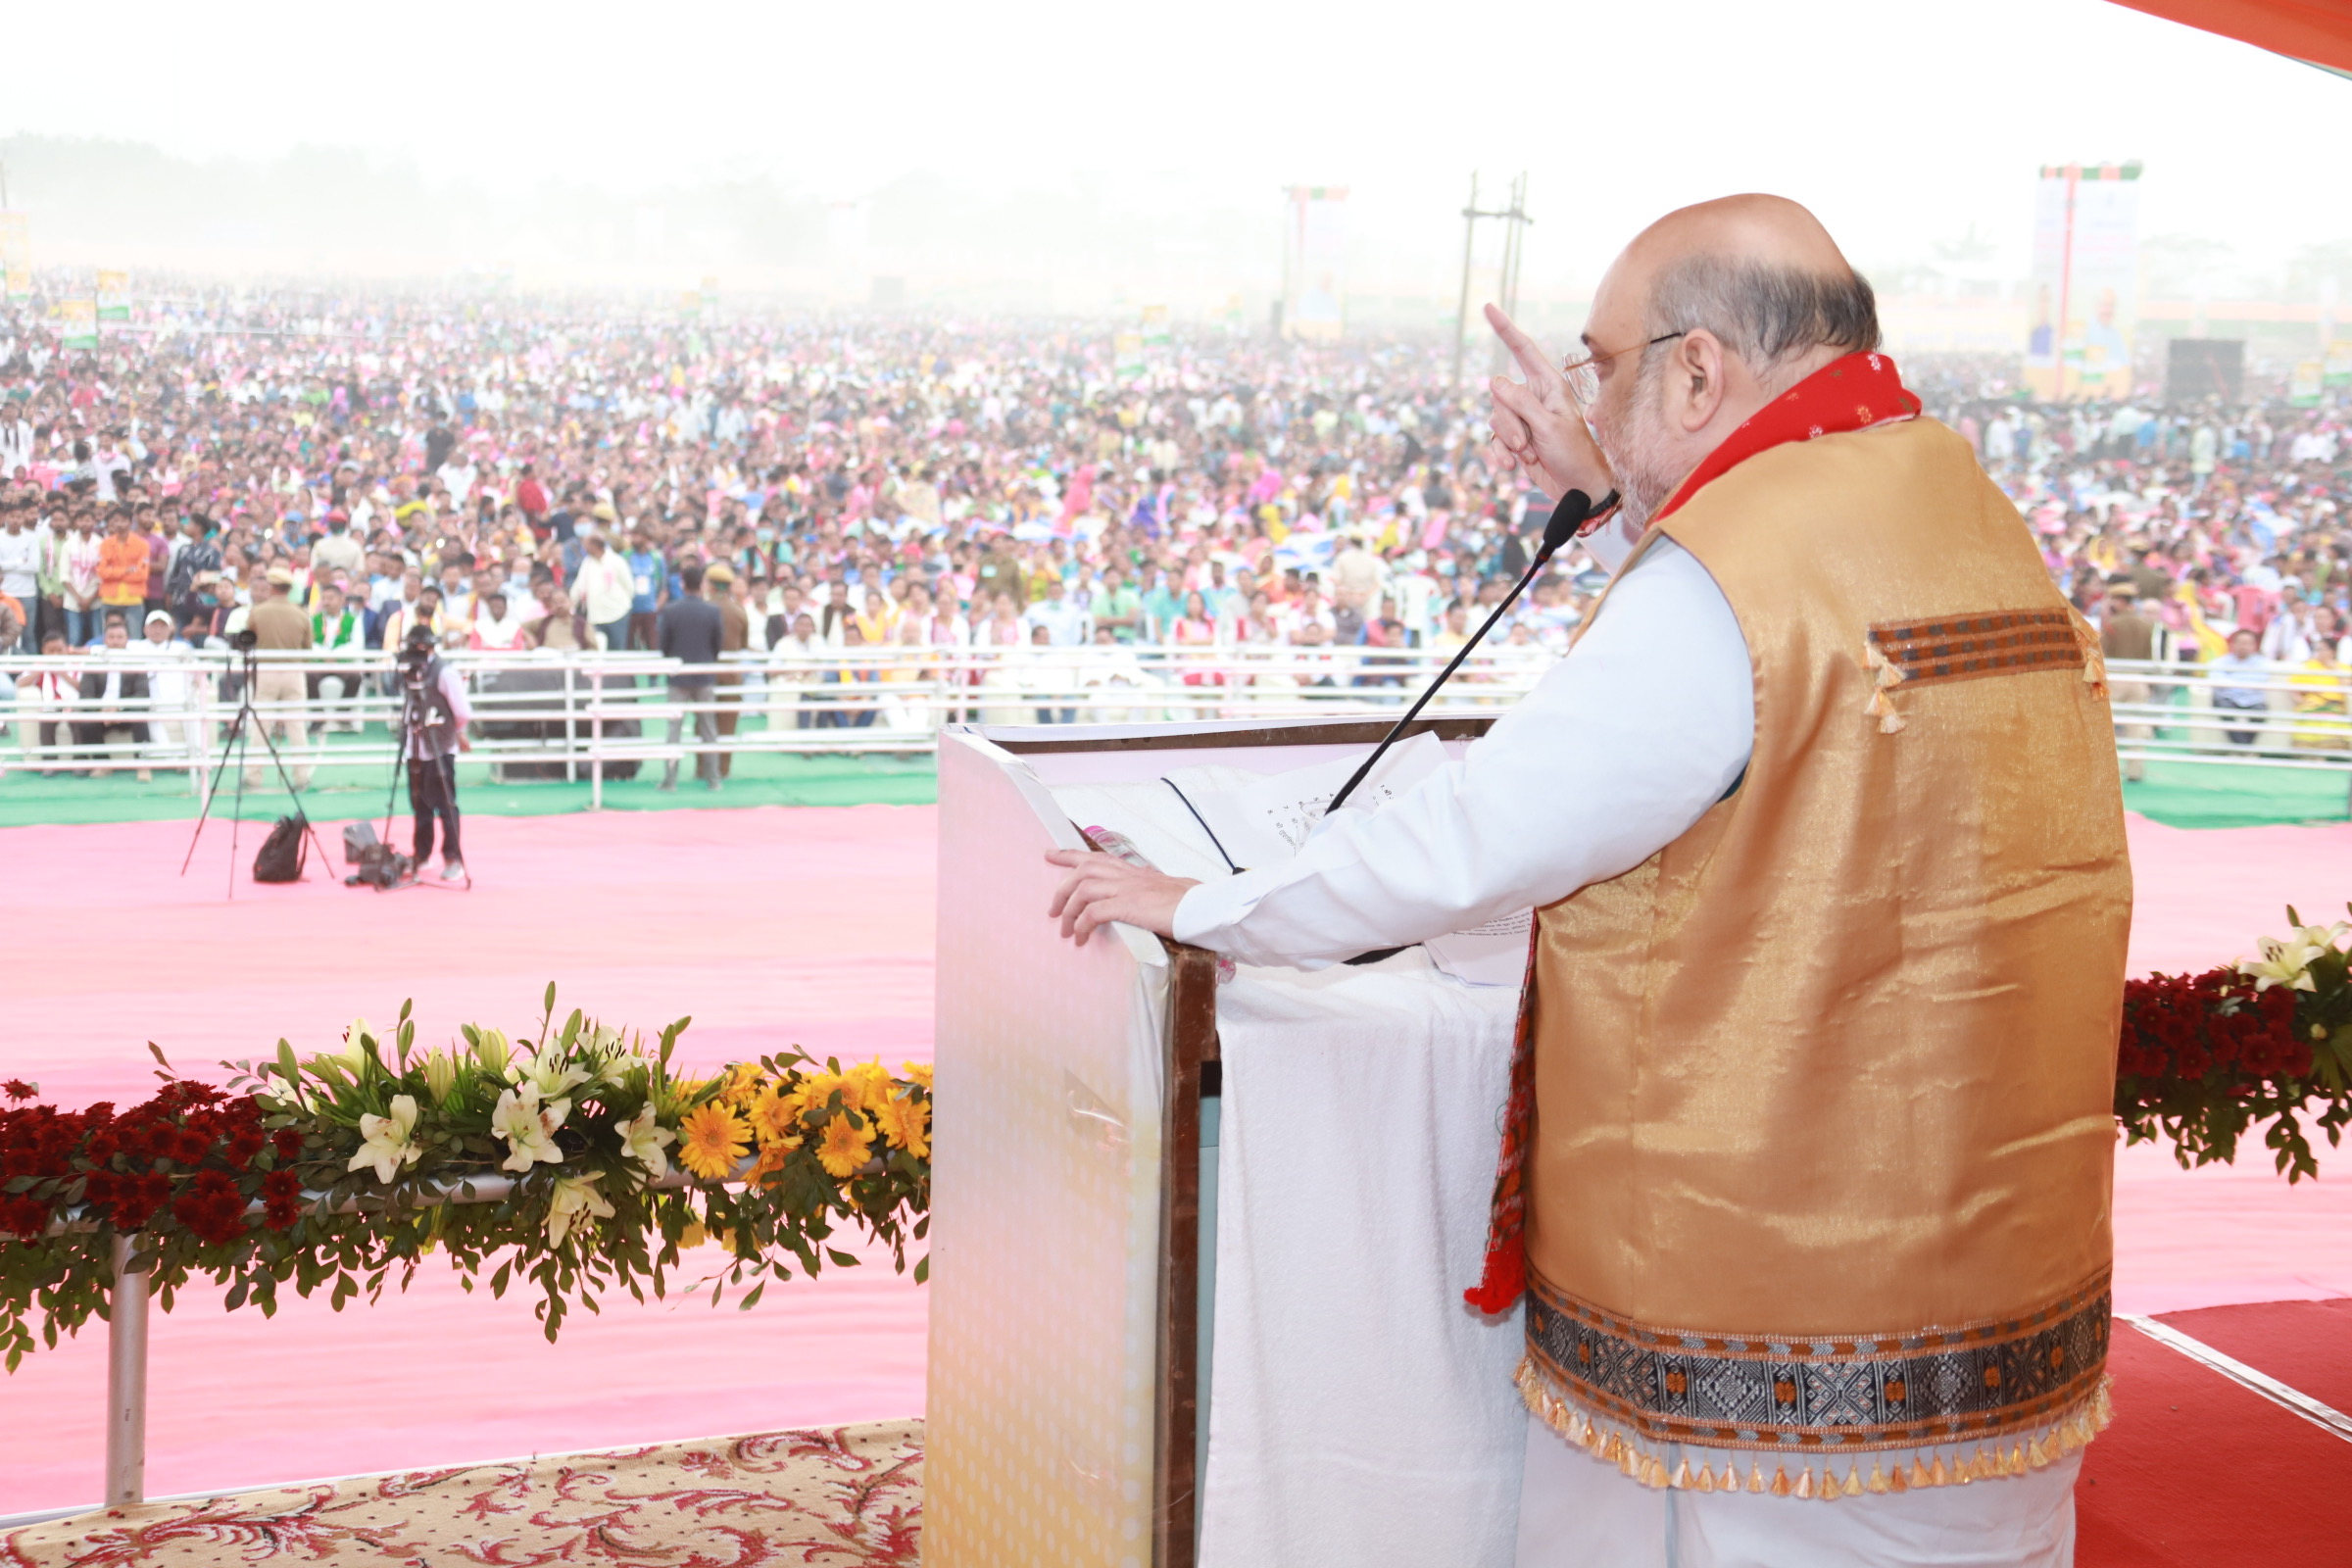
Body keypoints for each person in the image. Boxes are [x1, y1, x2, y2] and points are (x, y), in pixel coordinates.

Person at [1044, 195, 2129, 1568]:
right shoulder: (1954, 503)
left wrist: (1201, 905)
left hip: (1775, 1303)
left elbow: (1481, 832)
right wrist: (1633, 491)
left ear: (1695, 371)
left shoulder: (1733, 578)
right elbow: (1771, 705)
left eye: (1603, 369)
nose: (1590, 407)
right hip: (1988, 1278)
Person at [395, 624, 472, 881]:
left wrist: (455, 732)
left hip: (440, 747)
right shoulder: (409, 671)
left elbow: (462, 711)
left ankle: (453, 858)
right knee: (420, 804)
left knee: (446, 804)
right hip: (415, 747)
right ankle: (422, 854)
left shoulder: (445, 672)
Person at [656, 560, 723, 791]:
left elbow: (663, 645)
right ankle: (713, 779)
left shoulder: (672, 610)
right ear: (702, 584)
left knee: (673, 730)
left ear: (683, 584)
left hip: (678, 676)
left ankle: (670, 780)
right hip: (704, 675)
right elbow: (717, 645)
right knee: (709, 730)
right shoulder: (712, 611)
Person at [246, 566, 313, 789]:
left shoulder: (258, 612)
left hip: (266, 671)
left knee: (261, 725)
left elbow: (249, 641)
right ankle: (301, 776)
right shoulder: (301, 613)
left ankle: (254, 776)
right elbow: (307, 648)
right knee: (296, 725)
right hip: (294, 671)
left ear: (271, 587)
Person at [2100, 579, 2155, 782]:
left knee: (2106, 725)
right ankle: (2135, 770)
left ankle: (2106, 771)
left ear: (2119, 601)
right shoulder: (2145, 624)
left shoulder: (2112, 624)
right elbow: (2149, 655)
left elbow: (2101, 652)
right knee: (2136, 727)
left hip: (2116, 677)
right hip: (2139, 677)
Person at [572, 525, 635, 653]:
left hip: (617, 614)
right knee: (597, 650)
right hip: (595, 616)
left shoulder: (616, 561)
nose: (584, 548)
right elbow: (577, 588)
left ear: (595, 545)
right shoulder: (587, 563)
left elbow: (629, 587)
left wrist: (623, 604)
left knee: (617, 651)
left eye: (586, 544)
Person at [2209, 627, 2270, 748]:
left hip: (2252, 699)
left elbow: (2261, 680)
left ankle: (2241, 748)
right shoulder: (2221, 662)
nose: (2244, 646)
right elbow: (2216, 678)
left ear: (2254, 646)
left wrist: (2234, 683)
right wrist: (2243, 684)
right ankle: (2244, 748)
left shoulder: (2262, 663)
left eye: (2247, 643)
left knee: (2261, 712)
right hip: (2228, 698)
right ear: (2233, 644)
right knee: (2224, 708)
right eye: (2241, 643)